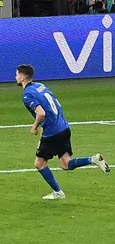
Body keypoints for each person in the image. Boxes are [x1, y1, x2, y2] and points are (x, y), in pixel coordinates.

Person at [15, 64, 110, 200]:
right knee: (65, 164)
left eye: (17, 74)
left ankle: (58, 192)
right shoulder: (40, 86)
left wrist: (34, 127)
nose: (16, 77)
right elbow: (55, 105)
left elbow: (41, 113)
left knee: (39, 164)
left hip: (52, 133)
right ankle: (93, 159)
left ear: (23, 77)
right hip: (64, 128)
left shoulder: (27, 94)